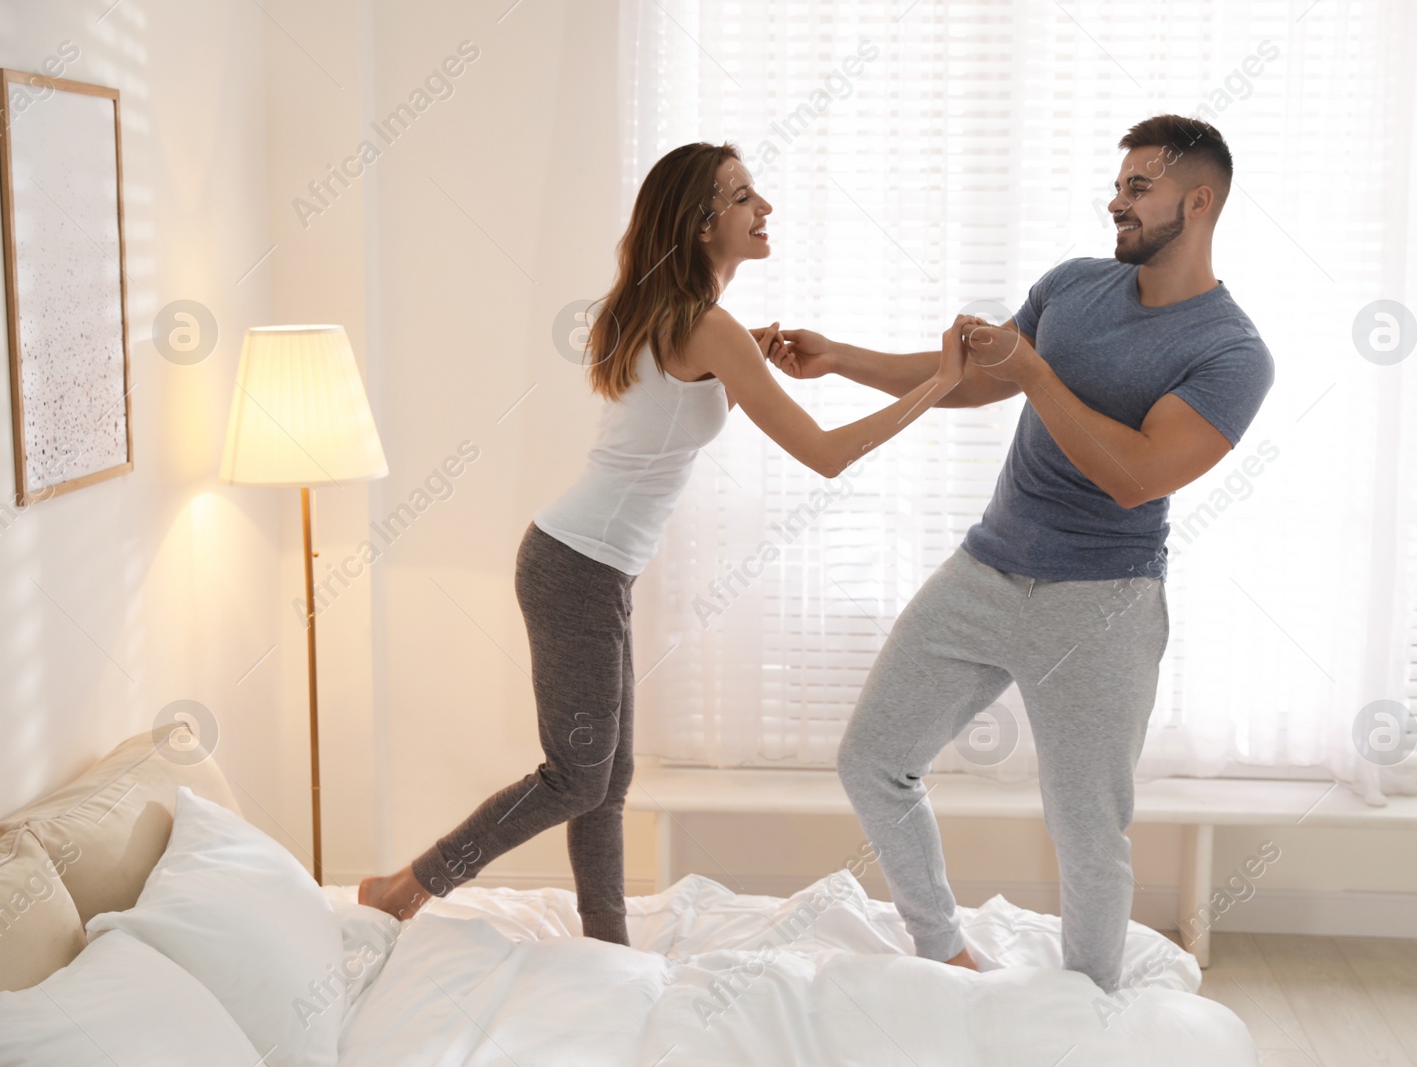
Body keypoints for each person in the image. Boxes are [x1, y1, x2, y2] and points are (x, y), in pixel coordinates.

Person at [359, 141, 972, 942]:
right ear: (701, 220)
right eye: (744, 195)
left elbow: (677, 383)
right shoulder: (707, 328)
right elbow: (824, 455)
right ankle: (406, 884)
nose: (765, 208)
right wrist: (940, 384)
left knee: (606, 777)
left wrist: (745, 349)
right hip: (575, 567)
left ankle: (604, 940)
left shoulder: (672, 316)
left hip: (584, 564)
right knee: (577, 776)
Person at [770, 115, 1275, 994]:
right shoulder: (1074, 286)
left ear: (1199, 202)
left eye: (1138, 188)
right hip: (985, 568)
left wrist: (1038, 373)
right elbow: (970, 379)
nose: (1115, 201)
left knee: (1086, 825)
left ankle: (1086, 1006)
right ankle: (947, 955)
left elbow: (1136, 477)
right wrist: (840, 358)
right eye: (1117, 185)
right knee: (872, 759)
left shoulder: (1232, 352)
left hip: (1104, 601)